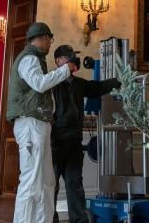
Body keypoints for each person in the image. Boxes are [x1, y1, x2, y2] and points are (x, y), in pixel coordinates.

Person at [8, 22, 75, 223]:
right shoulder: (29, 59)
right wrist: (64, 70)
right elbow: (39, 84)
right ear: (43, 38)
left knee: (46, 181)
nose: (50, 43)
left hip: (39, 124)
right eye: (49, 39)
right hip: (30, 124)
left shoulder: (34, 59)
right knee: (31, 181)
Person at [50, 44, 122, 223]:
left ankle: (79, 220)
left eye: (73, 57)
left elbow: (97, 88)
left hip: (74, 142)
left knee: (75, 184)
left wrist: (121, 80)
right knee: (51, 186)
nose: (73, 60)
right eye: (68, 57)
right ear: (58, 61)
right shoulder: (50, 83)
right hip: (54, 144)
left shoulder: (78, 83)